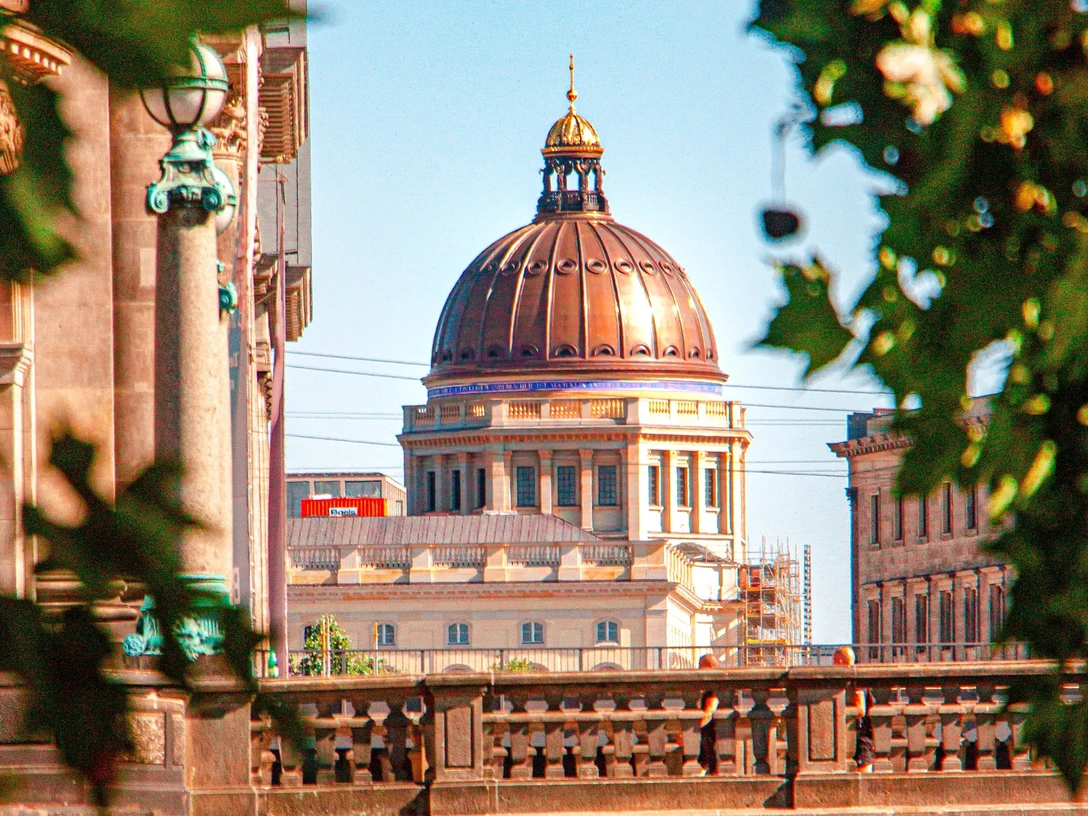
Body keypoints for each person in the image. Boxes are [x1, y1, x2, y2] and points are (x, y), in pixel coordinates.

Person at [833, 646, 874, 773]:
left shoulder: (854, 681)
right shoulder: (855, 678)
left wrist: (841, 712)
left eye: (834, 661)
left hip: (860, 733)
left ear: (839, 661)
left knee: (864, 770)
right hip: (860, 733)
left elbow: (860, 709)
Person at [697, 653, 720, 775]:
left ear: (709, 667)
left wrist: (694, 730)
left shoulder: (713, 690)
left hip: (710, 734)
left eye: (700, 666)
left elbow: (709, 711)